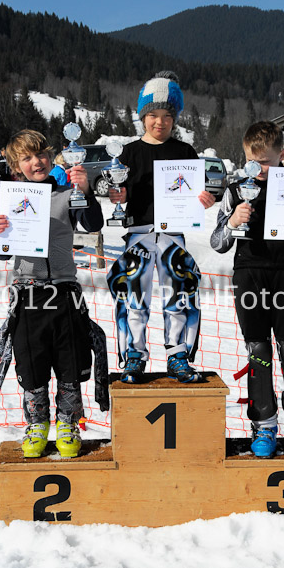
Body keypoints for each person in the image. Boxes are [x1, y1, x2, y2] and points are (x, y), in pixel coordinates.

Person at [0, 129, 107, 458]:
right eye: (27, 158)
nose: (36, 161)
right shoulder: (12, 199)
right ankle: (37, 423)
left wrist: (85, 191)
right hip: (28, 293)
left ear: (50, 157)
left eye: (40, 154)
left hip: (64, 291)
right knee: (32, 364)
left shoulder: (67, 193)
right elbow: (4, 253)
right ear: (15, 165)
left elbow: (93, 223)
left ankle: (68, 423)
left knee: (69, 364)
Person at [210, 121, 284, 460]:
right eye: (253, 161)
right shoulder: (235, 189)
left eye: (267, 161)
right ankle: (263, 425)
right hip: (249, 275)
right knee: (258, 350)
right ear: (244, 155)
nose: (260, 169)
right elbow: (217, 243)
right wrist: (231, 222)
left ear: (282, 155)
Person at [107, 71, 215, 384]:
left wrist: (203, 201)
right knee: (135, 298)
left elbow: (196, 196)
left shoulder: (185, 152)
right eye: (152, 115)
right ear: (143, 116)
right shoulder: (127, 153)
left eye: (167, 115)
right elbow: (120, 193)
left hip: (173, 235)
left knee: (178, 295)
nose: (159, 122)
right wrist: (118, 194)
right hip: (138, 234)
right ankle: (134, 355)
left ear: (175, 118)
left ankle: (177, 354)